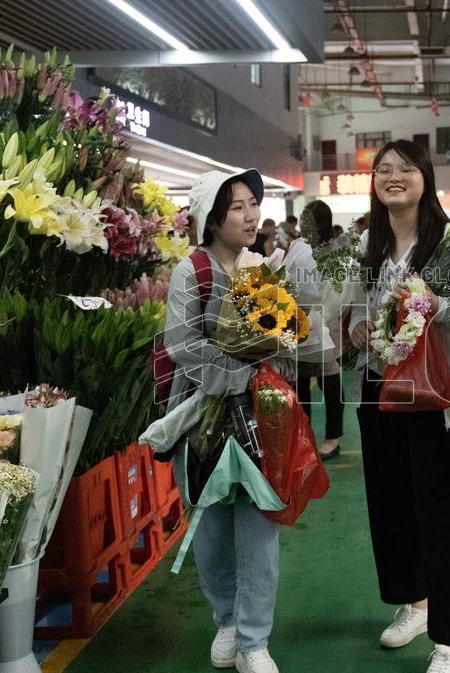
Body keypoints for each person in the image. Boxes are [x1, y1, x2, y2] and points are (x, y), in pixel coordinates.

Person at [349, 140, 450, 673]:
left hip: (437, 393)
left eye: (406, 168)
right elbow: (352, 309)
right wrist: (355, 326)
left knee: (440, 515)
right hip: (378, 389)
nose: (394, 176)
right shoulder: (367, 244)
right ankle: (415, 603)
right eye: (383, 169)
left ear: (425, 178)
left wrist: (436, 305)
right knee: (391, 506)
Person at [166, 169, 282, 673]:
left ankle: (254, 640)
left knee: (259, 526)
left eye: (254, 203)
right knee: (210, 524)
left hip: (258, 416)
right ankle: (228, 620)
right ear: (211, 220)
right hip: (202, 417)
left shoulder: (263, 270)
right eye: (237, 207)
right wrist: (235, 373)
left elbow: (282, 333)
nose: (251, 215)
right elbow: (181, 343)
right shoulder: (192, 271)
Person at [295, 199, 346, 461]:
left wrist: (321, 316)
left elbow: (338, 291)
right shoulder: (297, 247)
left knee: (330, 380)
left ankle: (333, 438)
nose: (301, 224)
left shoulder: (333, 252)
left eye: (307, 220)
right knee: (300, 383)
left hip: (326, 322)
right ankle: (304, 436)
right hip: (298, 322)